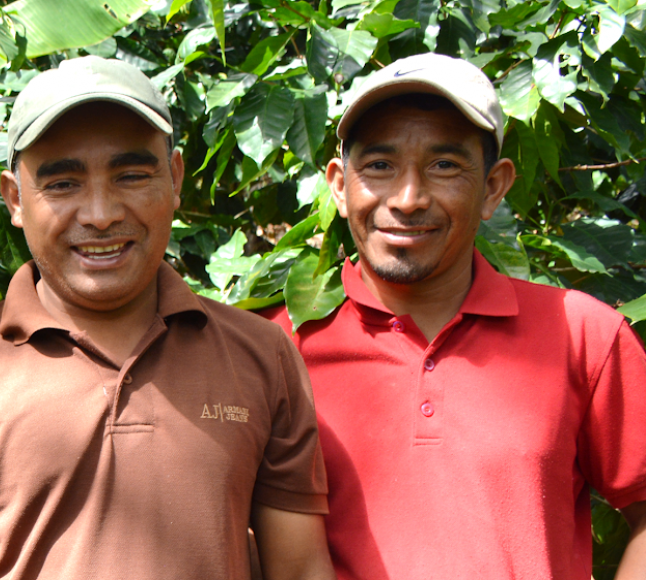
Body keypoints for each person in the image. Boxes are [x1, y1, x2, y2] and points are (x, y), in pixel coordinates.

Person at [0, 56, 334, 580]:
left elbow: (301, 569)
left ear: (175, 179)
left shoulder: (261, 354)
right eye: (62, 184)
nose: (100, 214)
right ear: (15, 199)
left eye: (131, 175)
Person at [263, 52, 646, 580]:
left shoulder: (582, 335)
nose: (408, 199)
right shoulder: (276, 345)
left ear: (493, 187)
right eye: (379, 166)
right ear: (338, 184)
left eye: (444, 166)